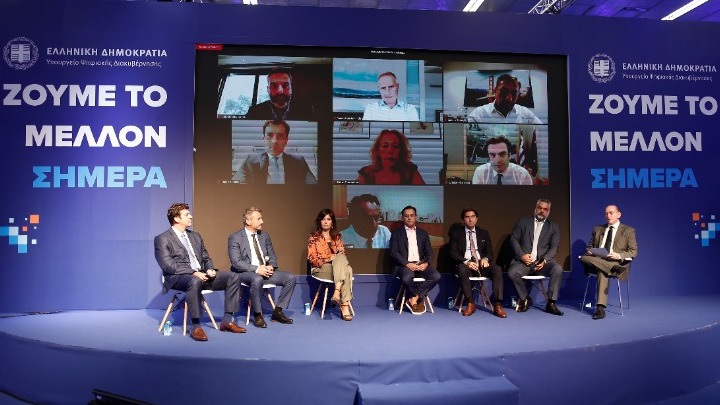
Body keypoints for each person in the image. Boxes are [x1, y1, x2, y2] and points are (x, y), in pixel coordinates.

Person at [153, 203, 246, 341]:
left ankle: (227, 321)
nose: (191, 216)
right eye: (186, 215)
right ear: (176, 219)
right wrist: (193, 272)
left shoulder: (195, 236)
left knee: (233, 277)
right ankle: (195, 326)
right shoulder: (162, 239)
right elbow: (168, 265)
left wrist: (209, 269)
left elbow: (206, 258)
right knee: (194, 281)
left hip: (201, 275)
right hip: (179, 278)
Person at [228, 207, 297, 328]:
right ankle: (257, 315)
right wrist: (256, 269)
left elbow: (272, 255)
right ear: (248, 221)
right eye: (259, 219)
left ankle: (278, 311)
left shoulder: (264, 235)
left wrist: (271, 266)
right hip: (245, 273)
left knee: (290, 278)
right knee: (257, 279)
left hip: (264, 271)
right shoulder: (235, 237)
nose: (262, 221)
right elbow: (236, 263)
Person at [580, 205, 637, 320]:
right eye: (606, 213)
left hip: (616, 261)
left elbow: (633, 251)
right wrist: (591, 251)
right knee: (583, 257)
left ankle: (600, 308)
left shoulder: (628, 231)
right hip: (598, 260)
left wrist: (618, 255)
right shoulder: (597, 229)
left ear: (618, 214)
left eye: (611, 213)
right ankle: (613, 268)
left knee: (602, 271)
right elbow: (589, 247)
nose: (608, 215)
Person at [508, 199, 564, 316]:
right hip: (524, 262)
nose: (542, 211)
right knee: (512, 273)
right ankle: (525, 298)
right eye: (540, 208)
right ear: (535, 208)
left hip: (542, 263)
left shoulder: (553, 227)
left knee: (557, 269)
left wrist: (544, 260)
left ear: (548, 212)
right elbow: (514, 239)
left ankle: (551, 303)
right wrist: (522, 255)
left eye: (545, 209)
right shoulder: (523, 222)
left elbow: (554, 247)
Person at [448, 208, 506, 318]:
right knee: (461, 269)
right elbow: (453, 253)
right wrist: (466, 262)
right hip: (466, 265)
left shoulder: (483, 233)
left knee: (497, 269)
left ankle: (498, 305)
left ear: (477, 219)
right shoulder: (456, 234)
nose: (470, 219)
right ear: (463, 220)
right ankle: (470, 303)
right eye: (467, 217)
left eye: (473, 216)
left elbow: (490, 252)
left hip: (481, 265)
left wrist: (486, 258)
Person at [389, 206, 441, 315]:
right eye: (406, 216)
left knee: (436, 276)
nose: (409, 218)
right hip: (404, 265)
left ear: (415, 217)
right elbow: (394, 253)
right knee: (407, 277)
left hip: (420, 264)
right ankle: (417, 299)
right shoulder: (396, 233)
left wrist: (426, 263)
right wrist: (407, 264)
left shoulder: (423, 233)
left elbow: (430, 253)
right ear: (402, 218)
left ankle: (413, 299)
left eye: (411, 215)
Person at [232, 119, 317, 184]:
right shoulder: (250, 161)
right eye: (270, 135)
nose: (274, 141)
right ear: (264, 139)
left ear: (286, 140)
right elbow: (236, 186)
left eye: (280, 136)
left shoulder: (299, 161)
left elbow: (313, 186)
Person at [307, 209, 354, 321]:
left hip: (337, 268)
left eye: (328, 219)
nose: (325, 222)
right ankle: (344, 305)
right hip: (320, 269)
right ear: (319, 221)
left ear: (332, 222)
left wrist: (336, 257)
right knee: (348, 270)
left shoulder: (337, 237)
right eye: (323, 219)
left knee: (341, 258)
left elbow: (342, 255)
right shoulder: (313, 238)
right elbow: (312, 259)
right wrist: (329, 258)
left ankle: (337, 293)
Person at [357, 129, 425, 185]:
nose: (390, 151)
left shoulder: (410, 172)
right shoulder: (366, 173)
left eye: (395, 146)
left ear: (401, 151)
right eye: (385, 146)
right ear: (378, 150)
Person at [468, 73, 543, 124]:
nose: (509, 98)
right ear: (495, 91)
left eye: (514, 93)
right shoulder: (478, 114)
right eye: (504, 91)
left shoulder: (525, 113)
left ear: (518, 95)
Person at [244, 68, 316, 120]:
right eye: (274, 86)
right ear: (268, 89)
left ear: (291, 89)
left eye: (285, 86)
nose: (280, 91)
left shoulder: (306, 110)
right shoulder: (254, 112)